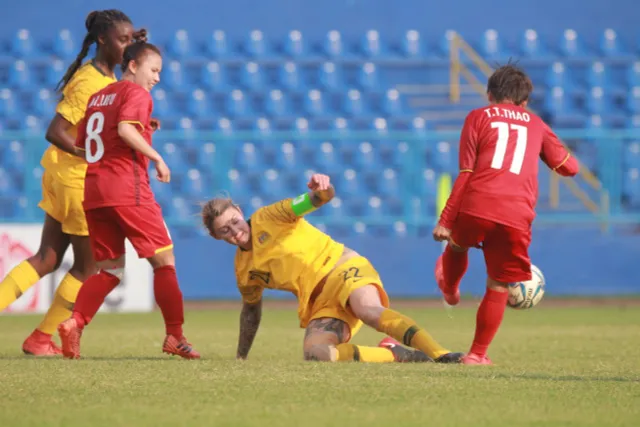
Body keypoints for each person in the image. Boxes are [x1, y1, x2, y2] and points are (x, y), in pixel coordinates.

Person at [0, 10, 148, 356]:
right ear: (102, 40)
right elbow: (56, 131)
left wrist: (135, 45)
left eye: (131, 40)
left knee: (47, 258)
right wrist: (92, 152)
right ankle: (41, 338)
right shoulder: (89, 82)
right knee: (88, 267)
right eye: (121, 40)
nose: (127, 46)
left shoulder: (106, 78)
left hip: (65, 176)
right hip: (77, 181)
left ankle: (39, 339)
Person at [201, 174, 463, 364]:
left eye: (235, 221)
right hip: (319, 303)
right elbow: (251, 312)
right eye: (225, 230)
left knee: (368, 310)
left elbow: (316, 199)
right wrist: (240, 357)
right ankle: (395, 354)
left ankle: (441, 354)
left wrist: (322, 189)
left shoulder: (269, 216)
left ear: (239, 210)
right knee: (317, 355)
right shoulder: (244, 271)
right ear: (216, 237)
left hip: (342, 267)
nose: (235, 231)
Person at [57, 41, 199, 360]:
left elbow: (89, 143)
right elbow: (123, 129)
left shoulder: (96, 98)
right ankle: (175, 336)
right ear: (133, 66)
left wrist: (145, 129)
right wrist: (157, 157)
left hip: (94, 192)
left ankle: (74, 322)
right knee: (164, 262)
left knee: (109, 271)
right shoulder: (137, 94)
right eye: (154, 70)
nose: (157, 78)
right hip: (127, 190)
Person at [432, 64, 579, 365]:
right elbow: (570, 168)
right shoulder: (537, 124)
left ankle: (449, 290)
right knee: (498, 283)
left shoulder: (477, 117)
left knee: (458, 245)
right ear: (524, 101)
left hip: (477, 203)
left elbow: (466, 172)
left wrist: (446, 220)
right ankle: (476, 355)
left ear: (489, 94)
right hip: (517, 212)